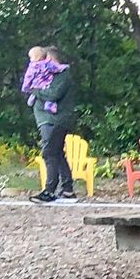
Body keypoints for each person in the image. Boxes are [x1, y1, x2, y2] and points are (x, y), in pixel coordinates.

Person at [22, 46, 79, 202]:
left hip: (55, 120)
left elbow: (53, 94)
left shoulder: (63, 75)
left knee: (49, 153)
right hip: (46, 120)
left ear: (51, 59)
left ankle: (49, 190)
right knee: (57, 153)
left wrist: (34, 90)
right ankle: (67, 189)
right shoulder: (46, 75)